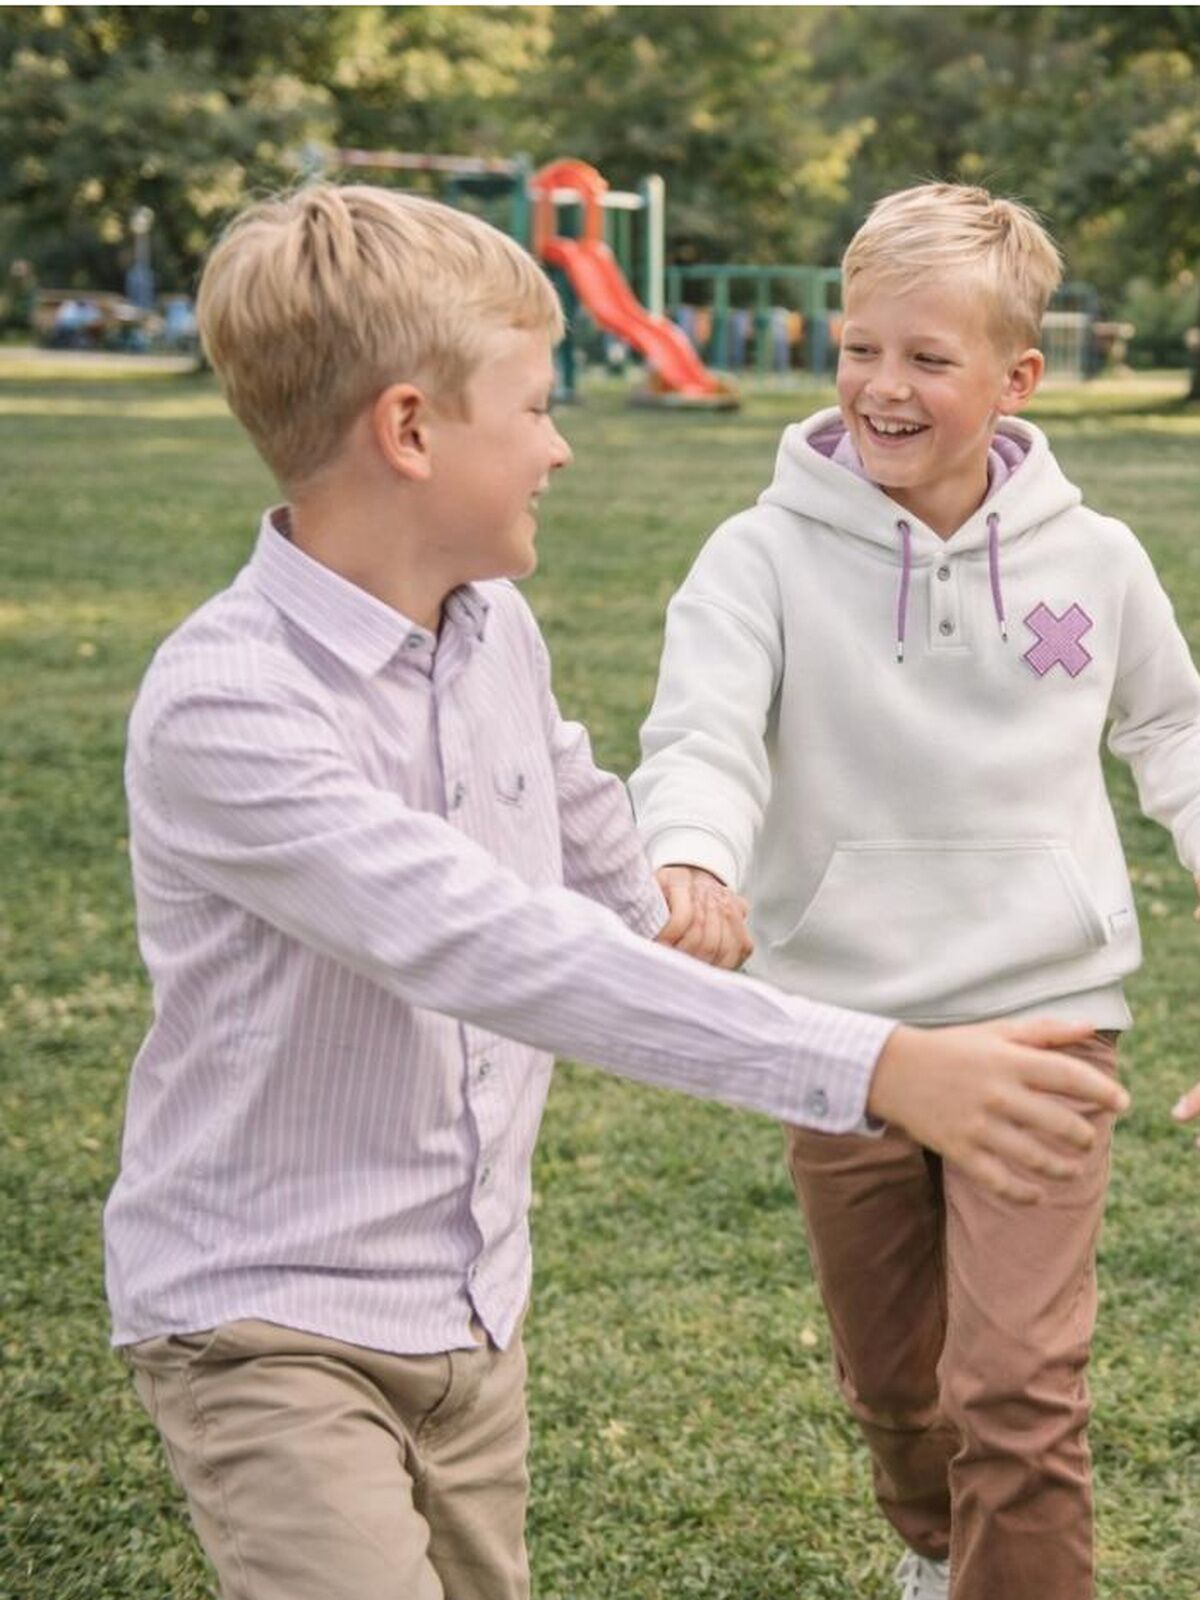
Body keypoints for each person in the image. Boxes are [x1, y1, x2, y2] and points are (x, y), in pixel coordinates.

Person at [103, 184, 1127, 1600]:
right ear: (409, 430)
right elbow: (497, 947)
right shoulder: (230, 708)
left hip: (471, 1316)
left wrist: (671, 887)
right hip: (270, 1321)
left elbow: (585, 821)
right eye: (531, 408)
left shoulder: (490, 629)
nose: (563, 447)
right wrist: (877, 1062)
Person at [631, 181, 1200, 1600]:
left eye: (928, 359)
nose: (883, 387)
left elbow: (1176, 735)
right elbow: (699, 734)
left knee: (1020, 1387)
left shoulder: (1100, 559)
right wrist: (690, 852)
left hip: (1044, 1019)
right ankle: (940, 1546)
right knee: (902, 1391)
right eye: (858, 349)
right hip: (840, 1031)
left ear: (1017, 378)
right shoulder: (756, 556)